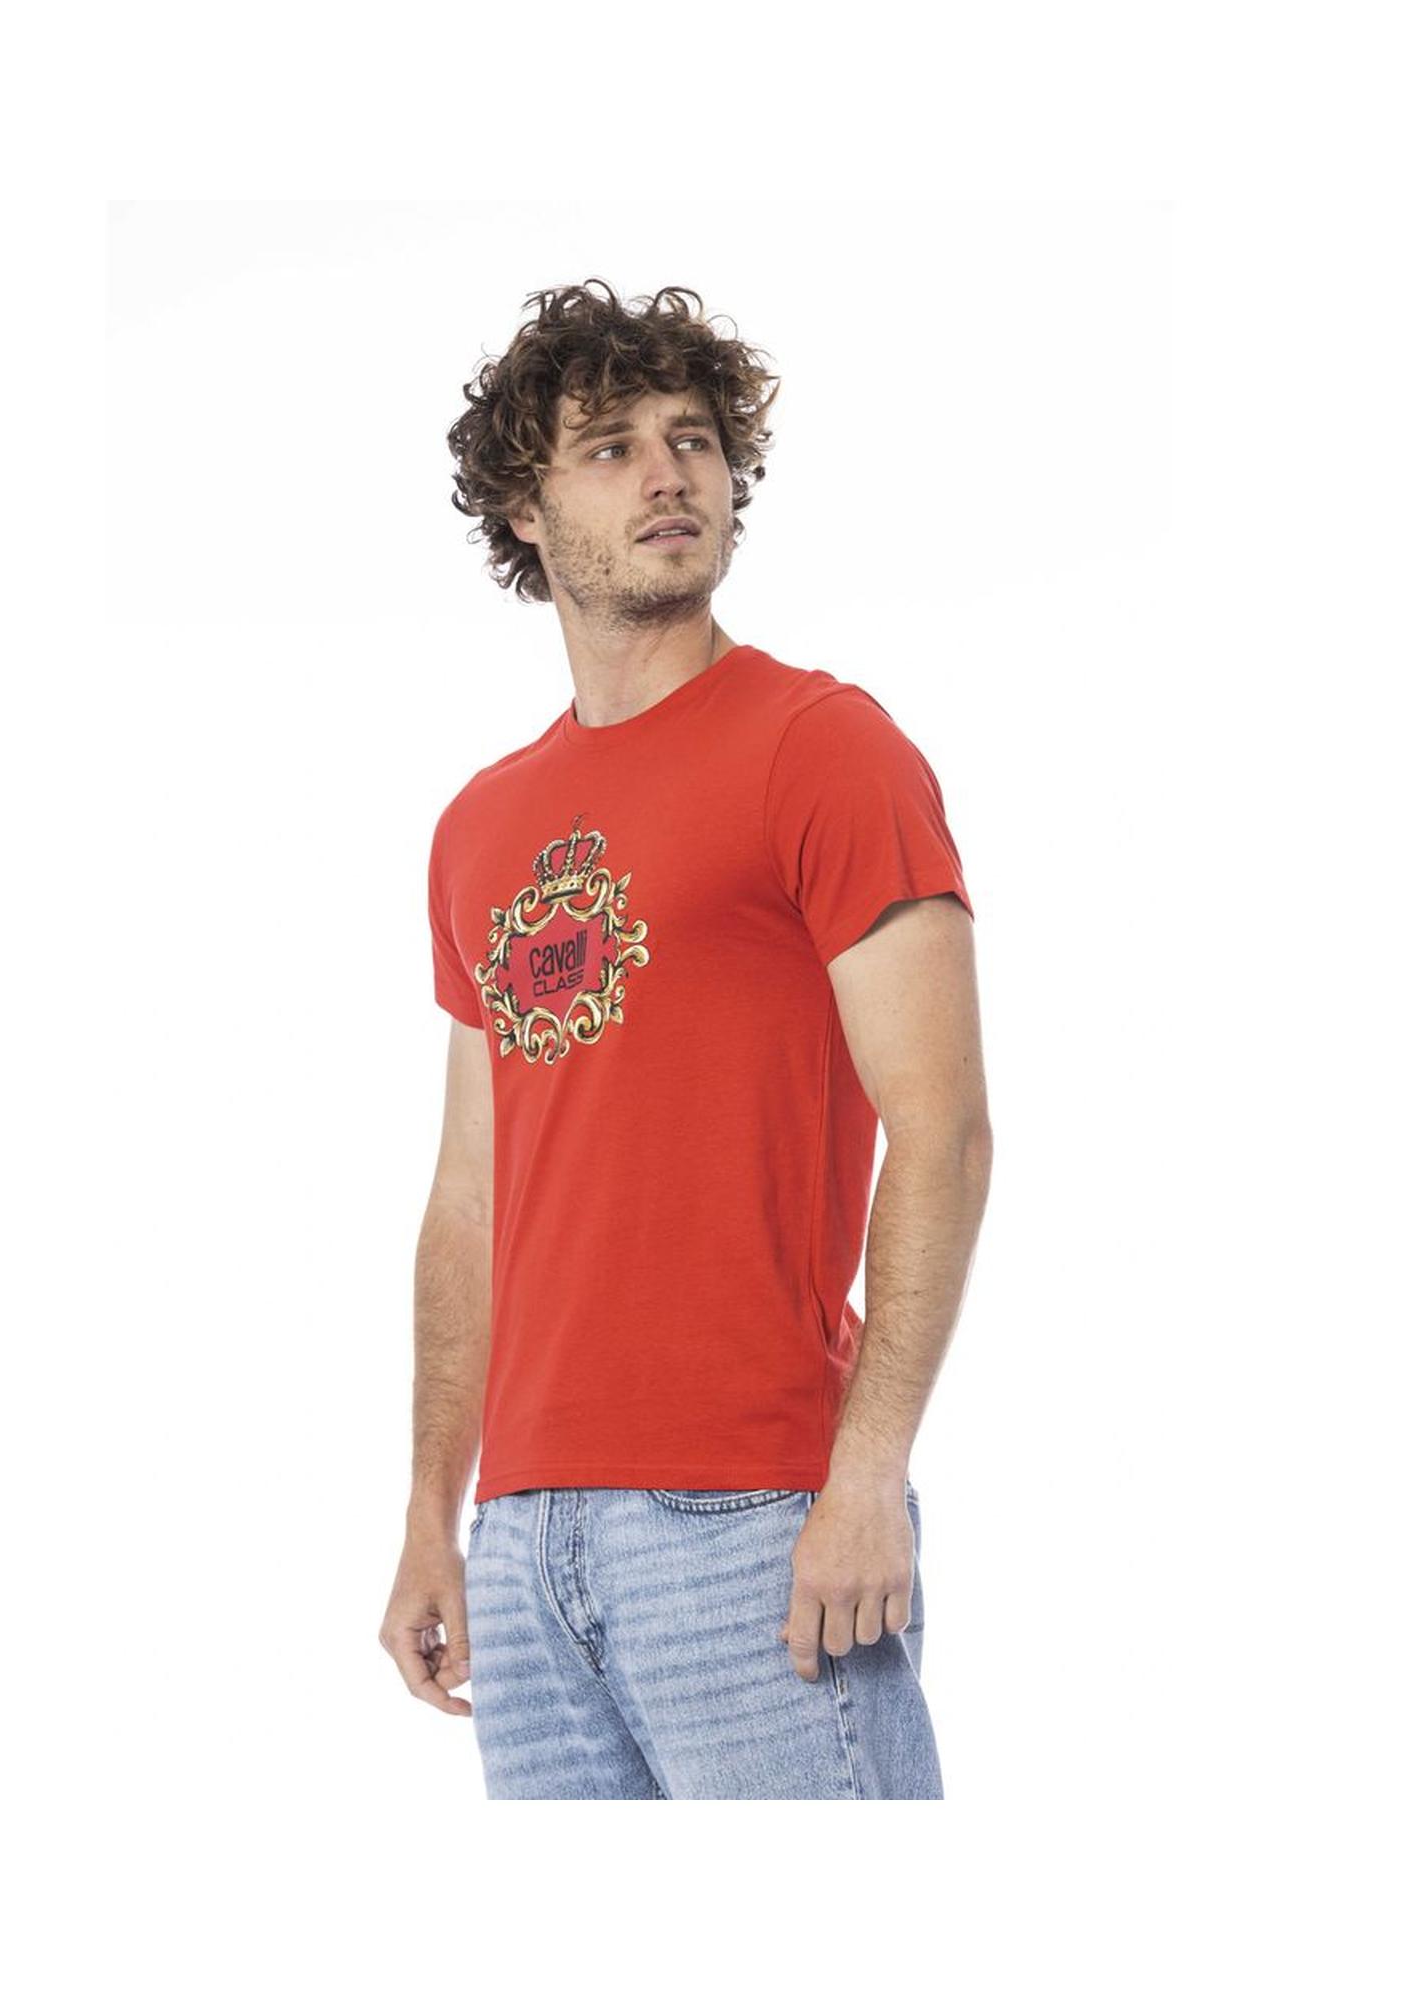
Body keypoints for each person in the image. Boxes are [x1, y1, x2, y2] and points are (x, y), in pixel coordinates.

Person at [379, 279, 993, 1798]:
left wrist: (866, 1476)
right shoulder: (477, 829)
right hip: (525, 1544)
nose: (670, 474)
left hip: (754, 1520)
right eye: (611, 447)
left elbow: (943, 1129)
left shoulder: (822, 747)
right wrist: (434, 1515)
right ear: (525, 511)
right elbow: (470, 1200)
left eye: (696, 439)